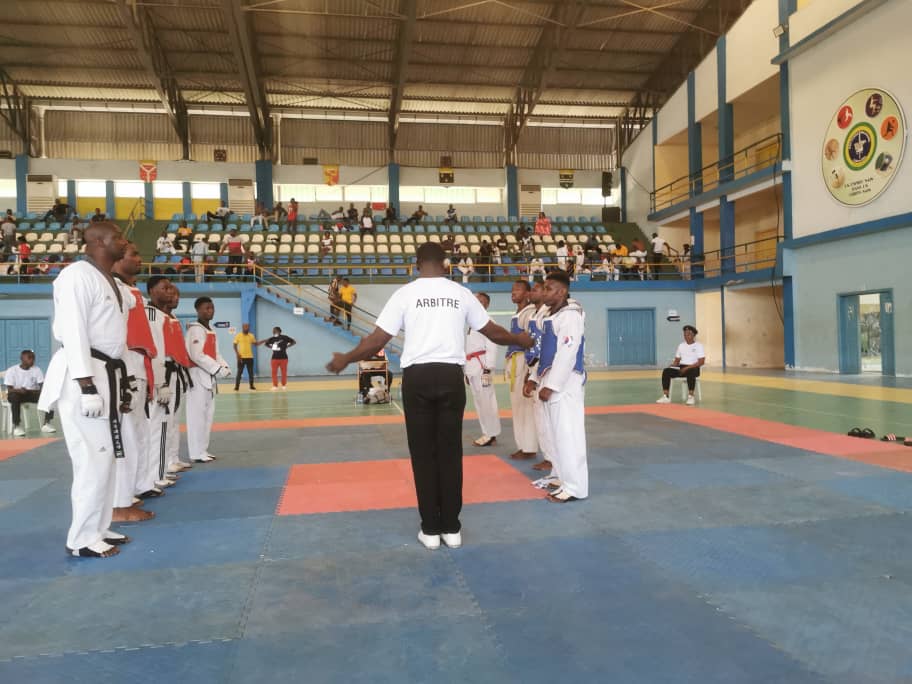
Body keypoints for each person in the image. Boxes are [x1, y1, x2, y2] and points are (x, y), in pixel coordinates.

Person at [325, 241, 532, 550]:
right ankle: (452, 529)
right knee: (449, 453)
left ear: (417, 263)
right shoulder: (460, 293)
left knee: (424, 455)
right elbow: (492, 331)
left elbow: (377, 339)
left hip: (418, 378)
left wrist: (347, 358)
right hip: (450, 377)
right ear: (445, 264)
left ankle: (430, 531)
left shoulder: (405, 294)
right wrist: (519, 339)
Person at [37, 222, 132, 558]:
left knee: (106, 456)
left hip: (106, 371)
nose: (123, 242)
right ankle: (81, 539)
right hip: (85, 374)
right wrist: (86, 383)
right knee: (92, 458)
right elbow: (74, 331)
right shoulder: (77, 275)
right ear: (97, 241)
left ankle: (99, 526)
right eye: (117, 237)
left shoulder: (110, 281)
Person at [523, 271, 588, 503]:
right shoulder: (551, 314)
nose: (544, 292)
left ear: (561, 292)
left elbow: (567, 352)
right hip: (548, 377)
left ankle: (575, 487)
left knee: (568, 435)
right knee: (556, 435)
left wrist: (552, 384)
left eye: (549, 288)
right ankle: (561, 476)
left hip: (566, 383)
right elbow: (543, 351)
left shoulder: (571, 315)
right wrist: (535, 377)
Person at [108, 243, 159, 522]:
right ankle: (118, 504)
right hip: (122, 367)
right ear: (116, 260)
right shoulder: (114, 290)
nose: (140, 259)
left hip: (136, 366)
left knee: (136, 435)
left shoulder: (130, 291)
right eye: (134, 255)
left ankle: (129, 493)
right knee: (124, 437)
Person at [186, 297, 232, 463]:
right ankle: (195, 452)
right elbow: (197, 355)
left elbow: (216, 353)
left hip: (209, 377)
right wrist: (216, 368)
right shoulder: (195, 330)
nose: (210, 311)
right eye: (206, 308)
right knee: (196, 416)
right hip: (197, 376)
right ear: (198, 310)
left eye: (212, 308)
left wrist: (224, 366)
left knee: (207, 415)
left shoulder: (210, 329)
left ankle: (203, 449)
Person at [505, 281, 537, 460]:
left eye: (517, 289)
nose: (513, 293)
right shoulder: (518, 313)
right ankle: (522, 445)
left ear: (527, 293)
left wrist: (529, 371)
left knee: (525, 407)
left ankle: (530, 447)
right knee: (517, 406)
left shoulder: (530, 313)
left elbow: (532, 341)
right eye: (512, 289)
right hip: (514, 361)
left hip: (523, 362)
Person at [464, 293, 501, 447]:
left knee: (487, 401)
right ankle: (487, 432)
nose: (475, 304)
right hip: (472, 367)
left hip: (482, 367)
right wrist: (466, 370)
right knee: (480, 402)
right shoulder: (473, 323)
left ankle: (491, 434)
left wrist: (488, 368)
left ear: (486, 304)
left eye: (479, 301)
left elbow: (492, 345)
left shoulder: (487, 321)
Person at [3, 349, 56, 436]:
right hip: (16, 393)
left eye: (33, 358)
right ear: (22, 359)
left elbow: (43, 387)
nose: (32, 360)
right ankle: (17, 426)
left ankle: (47, 423)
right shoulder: (12, 370)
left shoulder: (36, 370)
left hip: (31, 393)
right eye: (29, 358)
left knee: (49, 396)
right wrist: (19, 390)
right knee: (14, 397)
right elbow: (9, 389)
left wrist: (34, 391)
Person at [656, 325, 705, 405]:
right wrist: (672, 365)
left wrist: (688, 367)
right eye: (685, 334)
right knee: (666, 371)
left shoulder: (699, 346)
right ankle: (666, 396)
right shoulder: (681, 345)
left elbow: (701, 362)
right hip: (682, 368)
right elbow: (677, 361)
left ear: (693, 335)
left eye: (688, 334)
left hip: (694, 368)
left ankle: (691, 396)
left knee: (690, 371)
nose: (686, 336)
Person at [257, 326, 296, 390]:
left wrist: (288, 346)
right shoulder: (272, 338)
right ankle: (275, 386)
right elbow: (266, 344)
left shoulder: (284, 337)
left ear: (279, 331)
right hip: (274, 358)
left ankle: (284, 385)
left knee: (284, 372)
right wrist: (271, 347)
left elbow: (294, 342)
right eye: (273, 330)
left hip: (284, 358)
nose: (273, 331)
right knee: (274, 372)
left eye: (274, 330)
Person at [233, 322, 257, 390]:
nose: (247, 328)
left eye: (248, 327)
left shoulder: (251, 336)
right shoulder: (238, 335)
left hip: (250, 357)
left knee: (251, 373)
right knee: (239, 373)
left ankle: (251, 386)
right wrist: (237, 354)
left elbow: (255, 343)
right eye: (245, 327)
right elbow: (234, 345)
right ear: (243, 327)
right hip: (241, 358)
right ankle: (237, 387)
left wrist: (264, 341)